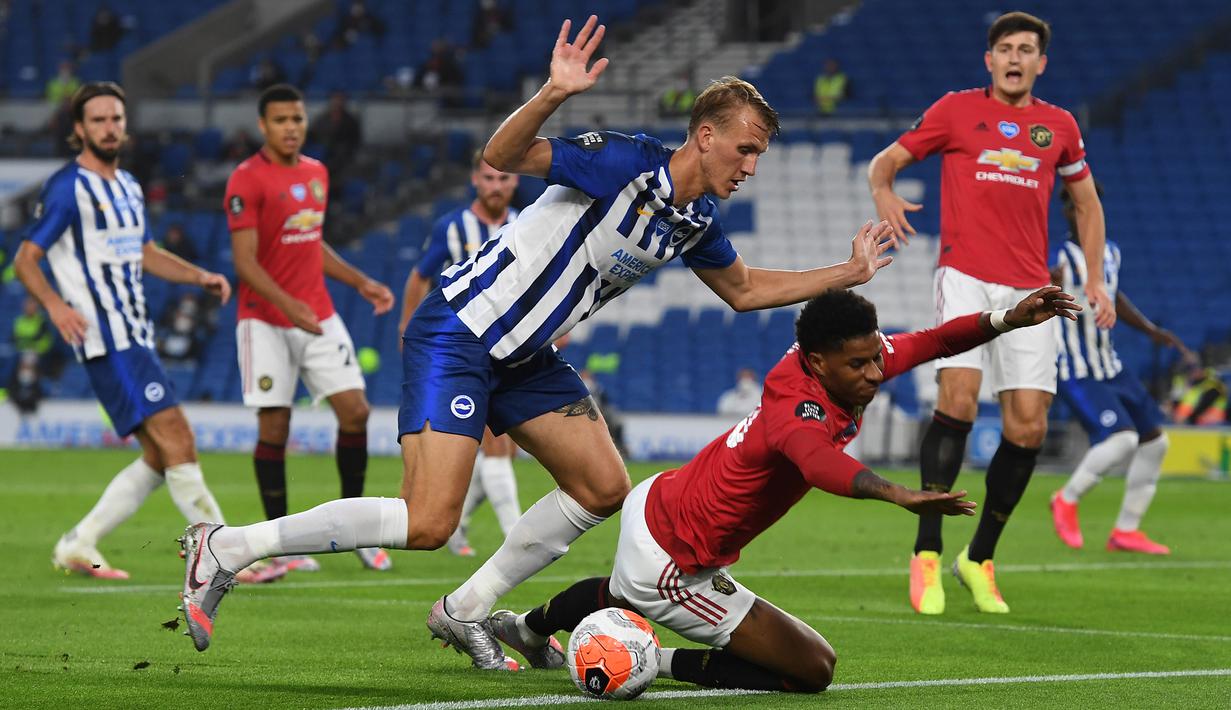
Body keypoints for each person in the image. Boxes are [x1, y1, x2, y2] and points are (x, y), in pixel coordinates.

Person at [177, 16, 897, 660]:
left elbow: (742, 290)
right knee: (429, 521)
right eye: (743, 149)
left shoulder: (695, 220)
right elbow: (505, 151)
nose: (748, 167)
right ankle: (228, 546)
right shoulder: (620, 162)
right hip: (460, 331)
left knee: (602, 485)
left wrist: (850, 270)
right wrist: (554, 92)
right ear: (704, 135)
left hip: (526, 356)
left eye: (758, 156)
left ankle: (464, 608)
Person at [489, 286, 1079, 690]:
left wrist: (1006, 319)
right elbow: (818, 463)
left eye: (877, 358)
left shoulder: (839, 359)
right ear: (818, 363)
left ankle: (528, 627)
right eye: (861, 366)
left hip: (663, 502)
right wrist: (898, 494)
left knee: (623, 591)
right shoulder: (796, 408)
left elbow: (932, 341)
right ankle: (651, 659)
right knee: (811, 672)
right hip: (673, 557)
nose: (876, 374)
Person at [867, 11, 1115, 615]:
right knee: (956, 399)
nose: (1014, 57)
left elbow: (1085, 203)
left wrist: (1094, 278)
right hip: (965, 276)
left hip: (1030, 289)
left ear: (1040, 63)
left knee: (1027, 427)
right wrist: (884, 194)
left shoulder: (1058, 127)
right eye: (1005, 47)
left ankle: (977, 559)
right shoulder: (955, 110)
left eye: (1026, 49)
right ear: (989, 59)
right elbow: (885, 162)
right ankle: (927, 553)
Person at [13, 82, 283, 584]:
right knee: (179, 436)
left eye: (116, 118)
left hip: (134, 334)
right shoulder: (69, 188)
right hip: (106, 337)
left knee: (161, 455)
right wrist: (53, 305)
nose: (110, 127)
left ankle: (78, 542)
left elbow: (145, 253)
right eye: (98, 120)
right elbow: (26, 258)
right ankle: (223, 551)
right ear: (79, 130)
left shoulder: (129, 187)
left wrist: (197, 274)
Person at [223, 83, 396, 575]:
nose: (291, 127)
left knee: (356, 412)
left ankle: (356, 530)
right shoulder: (246, 180)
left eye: (297, 118)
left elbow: (310, 243)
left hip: (315, 312)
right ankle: (278, 544)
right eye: (281, 120)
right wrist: (287, 305)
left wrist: (360, 281)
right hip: (264, 320)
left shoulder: (317, 173)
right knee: (276, 426)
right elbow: (245, 262)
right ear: (263, 125)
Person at [1049, 183, 1188, 556]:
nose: (1080, 210)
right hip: (1077, 368)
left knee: (1156, 442)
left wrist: (1149, 330)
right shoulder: (1059, 258)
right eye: (1073, 205)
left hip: (1110, 365)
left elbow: (1115, 295)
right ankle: (1066, 498)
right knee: (1122, 439)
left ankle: (1126, 531)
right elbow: (1037, 294)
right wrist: (1047, 288)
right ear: (1066, 212)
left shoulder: (1109, 253)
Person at [398, 152, 523, 558]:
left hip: (508, 346)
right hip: (459, 350)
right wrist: (407, 330)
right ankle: (515, 538)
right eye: (488, 178)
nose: (496, 186)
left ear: (514, 183)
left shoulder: (524, 224)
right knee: (494, 446)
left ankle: (459, 527)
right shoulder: (451, 227)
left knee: (501, 447)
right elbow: (419, 277)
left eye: (503, 179)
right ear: (475, 180)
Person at [309, 92, 362, 179]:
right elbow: (313, 135)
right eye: (335, 100)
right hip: (324, 154)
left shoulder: (350, 121)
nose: (337, 103)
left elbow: (355, 140)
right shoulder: (323, 118)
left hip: (342, 158)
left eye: (340, 100)